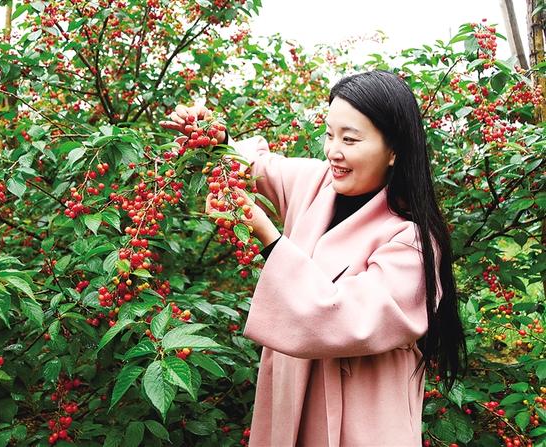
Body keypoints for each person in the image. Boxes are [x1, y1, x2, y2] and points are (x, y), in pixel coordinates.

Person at [160, 69, 467, 446]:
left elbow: (349, 319)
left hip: (363, 419)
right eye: (329, 134)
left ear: (394, 151)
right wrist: (214, 136)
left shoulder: (412, 240)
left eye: (350, 139)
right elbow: (254, 166)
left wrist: (269, 238)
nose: (333, 151)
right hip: (293, 402)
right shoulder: (317, 183)